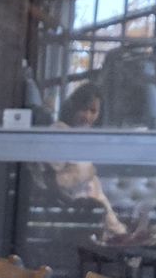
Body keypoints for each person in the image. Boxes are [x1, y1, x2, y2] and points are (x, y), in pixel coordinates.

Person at [50, 83, 128, 236]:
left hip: (92, 209)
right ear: (73, 107)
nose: (87, 116)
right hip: (72, 211)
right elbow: (55, 179)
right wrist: (87, 173)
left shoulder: (86, 136)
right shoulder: (59, 131)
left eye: (93, 111)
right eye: (83, 109)